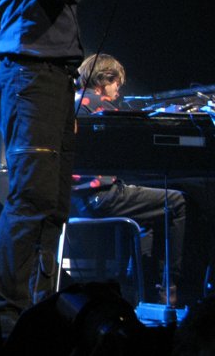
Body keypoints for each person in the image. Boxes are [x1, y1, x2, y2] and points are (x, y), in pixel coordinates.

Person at [0, 0, 123, 323]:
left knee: (54, 205)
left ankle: (37, 310)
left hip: (53, 82)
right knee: (30, 200)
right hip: (30, 81)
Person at [72, 53, 186, 306]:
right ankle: (169, 287)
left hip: (78, 199)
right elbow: (136, 144)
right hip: (102, 195)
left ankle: (137, 288)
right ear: (104, 79)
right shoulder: (99, 104)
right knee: (175, 201)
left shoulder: (74, 101)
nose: (118, 93)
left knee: (150, 212)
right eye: (117, 86)